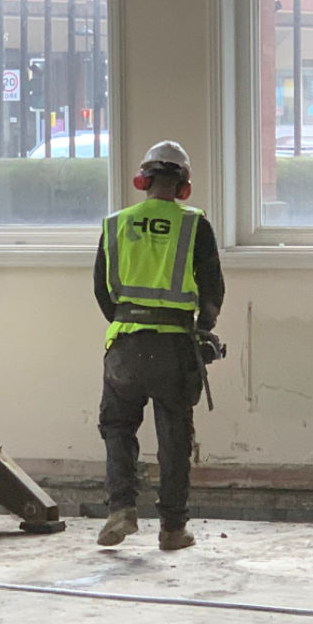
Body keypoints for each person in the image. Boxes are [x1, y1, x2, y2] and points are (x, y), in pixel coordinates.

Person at [93, 140, 224, 551]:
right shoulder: (193, 224)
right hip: (174, 349)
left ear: (143, 181)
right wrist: (204, 328)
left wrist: (130, 321)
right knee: (174, 438)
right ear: (183, 187)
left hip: (125, 347)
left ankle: (121, 510)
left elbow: (102, 291)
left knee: (117, 429)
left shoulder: (116, 224)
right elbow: (213, 289)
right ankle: (172, 529)